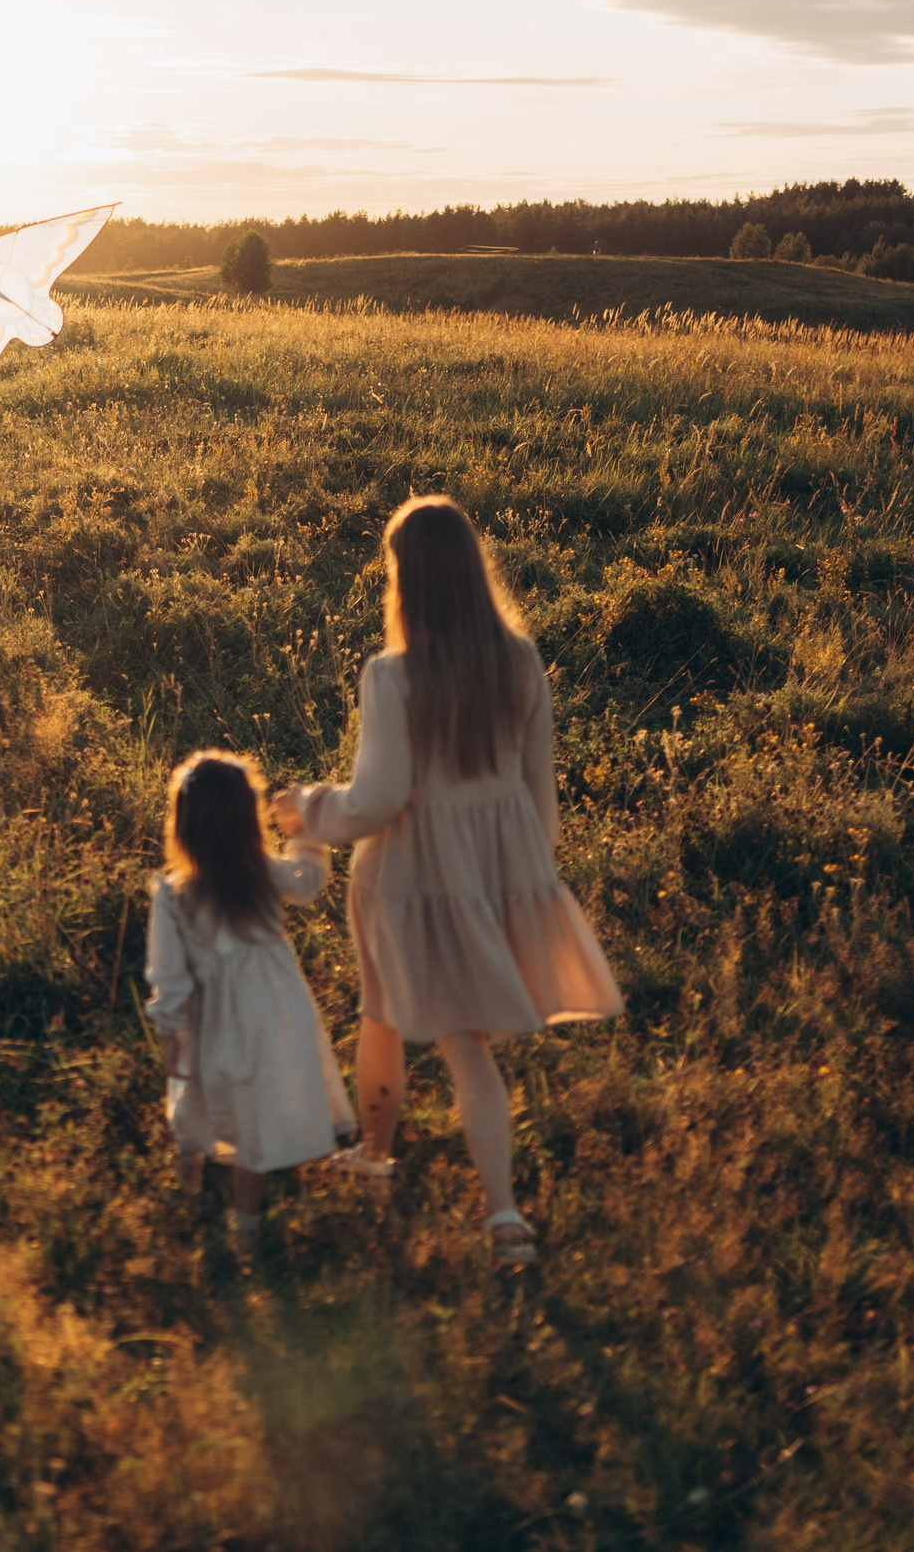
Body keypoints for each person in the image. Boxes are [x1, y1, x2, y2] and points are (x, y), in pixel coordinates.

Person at [272, 495, 622, 1266]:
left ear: (410, 578)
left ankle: (378, 1157)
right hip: (497, 874)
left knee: (383, 1014)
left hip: (407, 878)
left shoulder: (392, 675)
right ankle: (501, 1216)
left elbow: (380, 800)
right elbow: (541, 793)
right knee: (466, 1047)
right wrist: (522, 874)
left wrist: (308, 809)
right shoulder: (521, 660)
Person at [146, 751, 354, 1243]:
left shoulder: (175, 893)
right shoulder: (261, 872)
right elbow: (309, 882)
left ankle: (191, 1193)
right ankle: (248, 1221)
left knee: (194, 1099)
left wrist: (169, 1028)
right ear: (249, 819)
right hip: (278, 1013)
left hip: (213, 1020)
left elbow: (169, 975)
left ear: (183, 826)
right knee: (260, 1111)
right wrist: (302, 832)